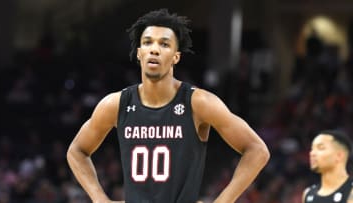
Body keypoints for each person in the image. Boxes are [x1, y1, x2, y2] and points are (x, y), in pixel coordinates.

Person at [66, 8, 270, 203]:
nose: (154, 49)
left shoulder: (198, 103)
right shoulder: (116, 104)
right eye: (147, 43)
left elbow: (257, 150)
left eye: (164, 44)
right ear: (139, 53)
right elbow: (77, 151)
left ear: (176, 56)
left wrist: (223, 201)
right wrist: (99, 199)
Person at [302, 130, 353, 203]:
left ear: (339, 156)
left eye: (320, 148)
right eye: (312, 149)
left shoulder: (351, 191)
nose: (312, 153)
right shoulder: (308, 193)